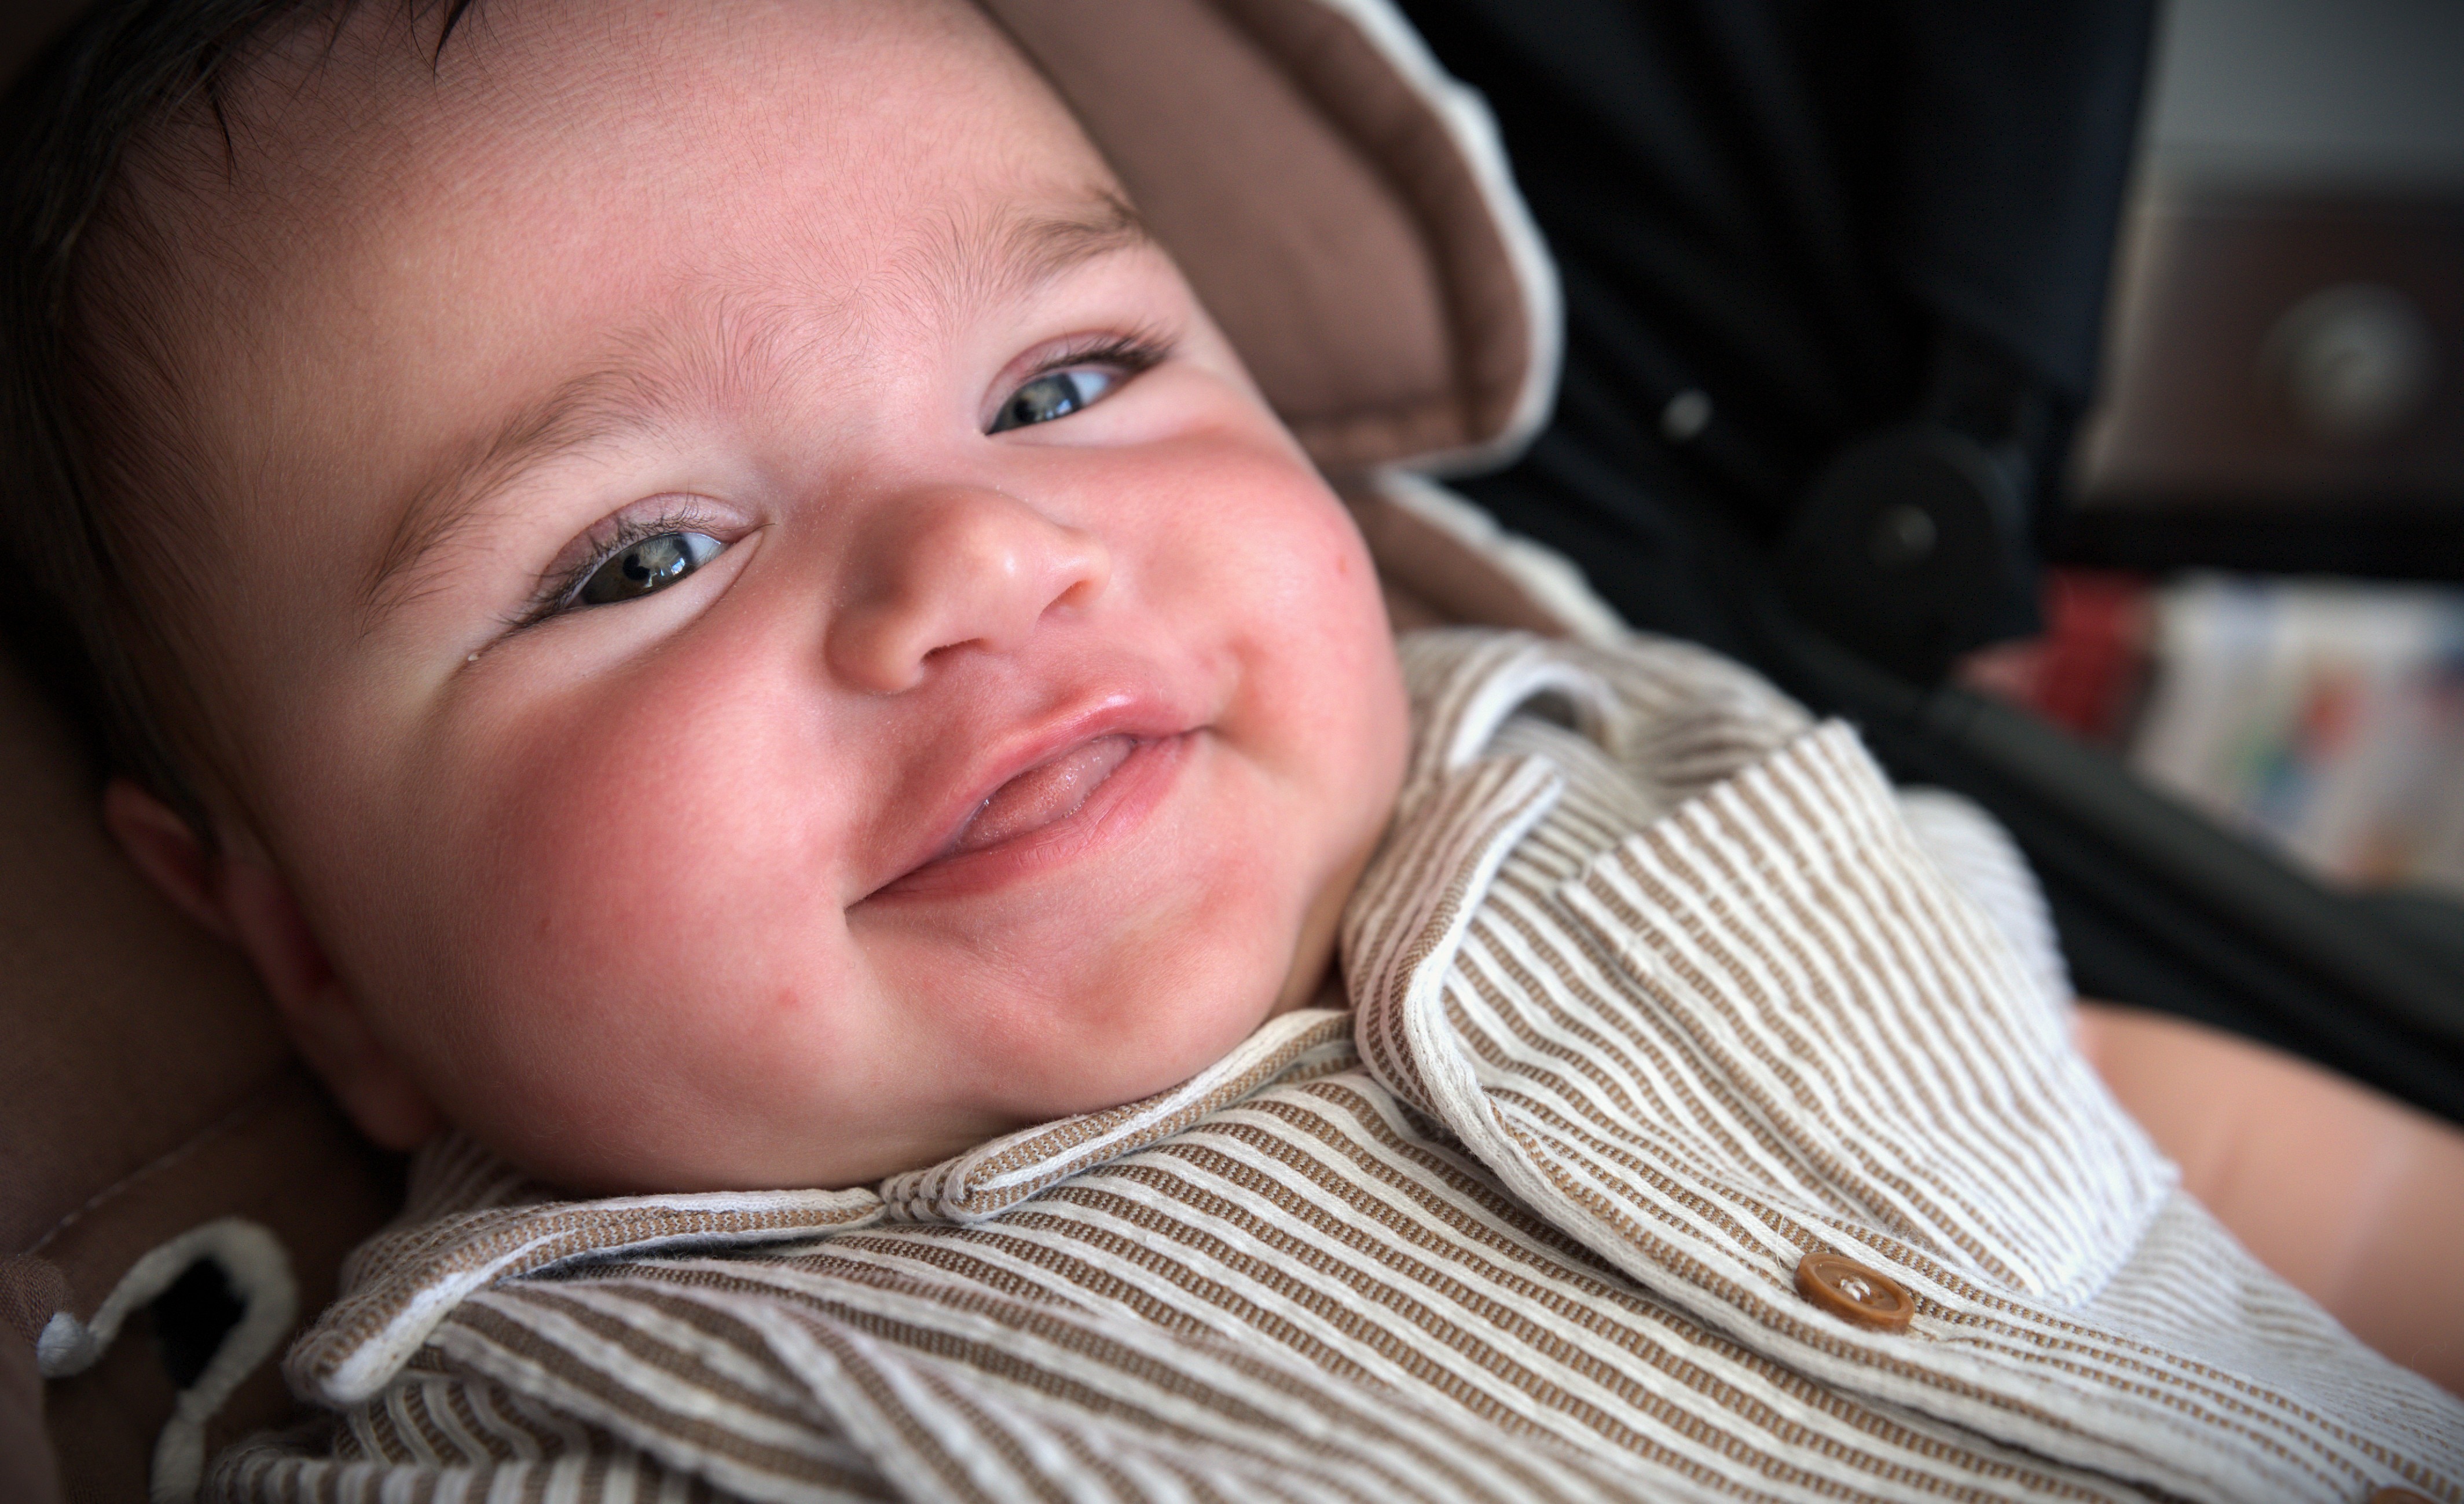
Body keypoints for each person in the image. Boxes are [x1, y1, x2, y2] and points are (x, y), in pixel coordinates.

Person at [1, 0, 2456, 1499]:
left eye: (1067, 386)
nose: (975, 558)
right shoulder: (575, 1433)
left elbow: (2221, 1182)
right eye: (637, 556)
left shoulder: (1638, 783)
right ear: (307, 949)